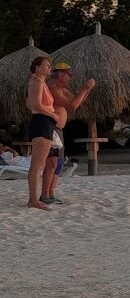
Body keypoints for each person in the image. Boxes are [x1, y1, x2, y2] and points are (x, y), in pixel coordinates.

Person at [42, 61, 95, 205]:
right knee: (51, 163)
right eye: (69, 75)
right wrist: (85, 89)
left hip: (58, 131)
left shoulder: (61, 89)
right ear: (60, 75)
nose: (70, 78)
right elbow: (71, 106)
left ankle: (51, 193)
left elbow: (76, 102)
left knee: (58, 163)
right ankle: (45, 195)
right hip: (51, 130)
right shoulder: (53, 89)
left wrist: (87, 90)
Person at [24, 57, 59, 210]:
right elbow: (36, 104)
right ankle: (33, 200)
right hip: (42, 122)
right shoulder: (37, 82)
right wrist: (53, 115)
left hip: (43, 122)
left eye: (50, 66)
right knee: (37, 164)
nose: (49, 68)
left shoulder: (38, 82)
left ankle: (34, 199)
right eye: (46, 65)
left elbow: (29, 103)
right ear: (37, 67)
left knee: (40, 163)